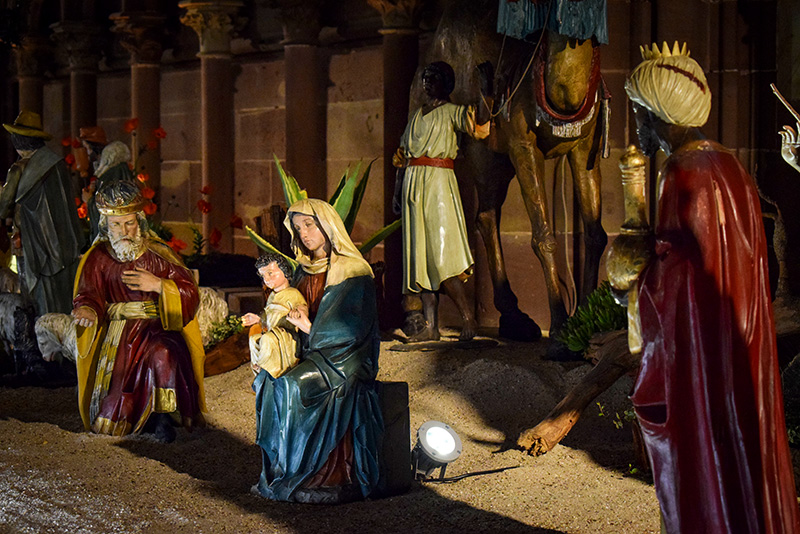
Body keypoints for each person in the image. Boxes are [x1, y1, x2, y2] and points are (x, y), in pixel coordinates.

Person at [609, 41, 800, 533]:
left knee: (705, 457)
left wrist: (631, 278)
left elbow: (675, 275)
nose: (636, 126)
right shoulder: (731, 167)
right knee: (743, 450)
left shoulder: (683, 173)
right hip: (739, 338)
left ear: (657, 112)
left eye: (637, 112)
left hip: (701, 351)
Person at [252, 198, 382, 504]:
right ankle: (284, 470)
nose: (304, 233)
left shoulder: (354, 270)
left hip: (344, 358)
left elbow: (355, 327)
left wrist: (312, 330)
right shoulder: (301, 271)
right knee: (270, 381)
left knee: (294, 385)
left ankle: (325, 475)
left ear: (327, 224)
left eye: (309, 224)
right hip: (310, 352)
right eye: (298, 228)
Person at [72, 180, 205, 443]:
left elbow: (189, 290)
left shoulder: (157, 254)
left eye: (129, 223)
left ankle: (163, 416)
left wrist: (159, 285)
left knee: (164, 354)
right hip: (120, 334)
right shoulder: (98, 258)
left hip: (157, 326)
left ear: (139, 221)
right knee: (122, 381)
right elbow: (89, 294)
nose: (123, 230)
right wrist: (87, 309)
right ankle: (129, 417)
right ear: (106, 226)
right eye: (116, 225)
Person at [393, 61, 491, 342]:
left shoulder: (452, 113)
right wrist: (397, 192)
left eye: (433, 78)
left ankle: (468, 319)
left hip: (438, 183)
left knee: (442, 255)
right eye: (425, 78)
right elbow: (401, 157)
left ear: (446, 83)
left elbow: (480, 126)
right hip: (413, 185)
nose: (427, 82)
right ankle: (431, 327)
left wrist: (486, 90)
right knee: (420, 259)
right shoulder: (416, 116)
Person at [1, 110, 85, 316]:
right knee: (62, 299)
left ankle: (39, 341)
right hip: (64, 245)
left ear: (18, 141)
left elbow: (4, 207)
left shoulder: (18, 169)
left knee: (36, 302)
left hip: (32, 247)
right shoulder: (57, 165)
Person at [242, 253, 307, 378]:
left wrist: (298, 313)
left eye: (270, 273)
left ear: (284, 271)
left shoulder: (293, 294)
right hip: (274, 336)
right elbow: (268, 319)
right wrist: (258, 319)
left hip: (287, 339)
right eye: (263, 275)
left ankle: (264, 366)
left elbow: (302, 309)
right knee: (254, 339)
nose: (267, 279)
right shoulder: (272, 296)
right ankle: (259, 367)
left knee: (267, 339)